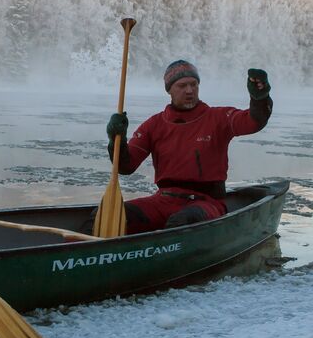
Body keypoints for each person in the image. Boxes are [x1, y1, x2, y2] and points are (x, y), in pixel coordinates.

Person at [101, 60, 272, 233]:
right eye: (182, 86)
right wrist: (117, 140)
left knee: (181, 223)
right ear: (169, 90)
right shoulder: (153, 125)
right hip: (164, 200)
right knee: (108, 215)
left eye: (194, 84)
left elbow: (253, 122)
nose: (189, 90)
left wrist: (259, 99)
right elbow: (126, 166)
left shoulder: (219, 118)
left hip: (207, 202)